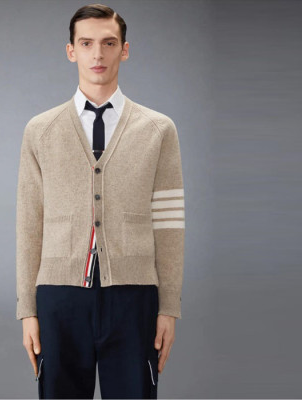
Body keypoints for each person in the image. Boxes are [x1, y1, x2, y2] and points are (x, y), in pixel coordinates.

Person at [16, 3, 185, 399]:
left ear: (124, 50)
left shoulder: (158, 129)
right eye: (86, 43)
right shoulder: (40, 130)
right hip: (59, 297)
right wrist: (28, 310)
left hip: (134, 297)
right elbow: (29, 223)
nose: (98, 54)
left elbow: (169, 223)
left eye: (109, 43)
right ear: (71, 50)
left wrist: (169, 307)